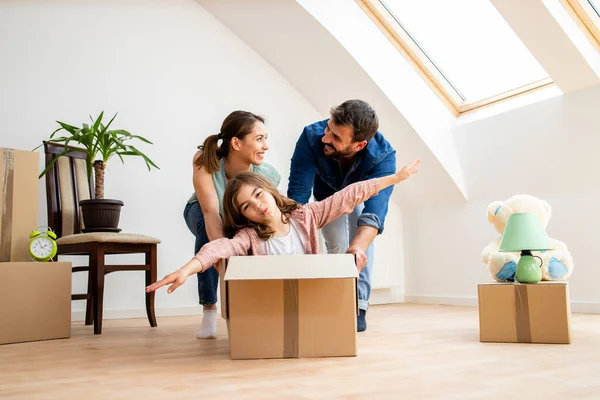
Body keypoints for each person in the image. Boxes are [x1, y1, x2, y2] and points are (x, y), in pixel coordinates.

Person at [147, 160, 419, 297]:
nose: (257, 204)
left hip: (309, 295)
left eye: (257, 194)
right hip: (271, 301)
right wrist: (186, 269)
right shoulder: (249, 236)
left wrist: (395, 178)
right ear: (245, 217)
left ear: (269, 190)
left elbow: (348, 195)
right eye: (246, 206)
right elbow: (218, 247)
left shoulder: (307, 216)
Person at [287, 99, 396, 332]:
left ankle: (359, 306)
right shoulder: (311, 137)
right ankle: (336, 298)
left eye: (336, 138)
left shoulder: (383, 155)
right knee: (336, 242)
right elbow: (298, 197)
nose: (326, 138)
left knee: (361, 241)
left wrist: (358, 248)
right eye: (328, 128)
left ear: (359, 145)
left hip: (358, 196)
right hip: (326, 196)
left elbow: (375, 212)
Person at [183, 110, 280, 339]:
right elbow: (209, 212)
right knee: (209, 238)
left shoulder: (268, 175)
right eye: (259, 139)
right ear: (236, 142)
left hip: (236, 217)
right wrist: (219, 255)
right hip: (201, 211)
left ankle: (252, 307)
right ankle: (209, 309)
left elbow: (269, 217)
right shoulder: (205, 160)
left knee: (251, 237)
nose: (266, 146)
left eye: (266, 138)